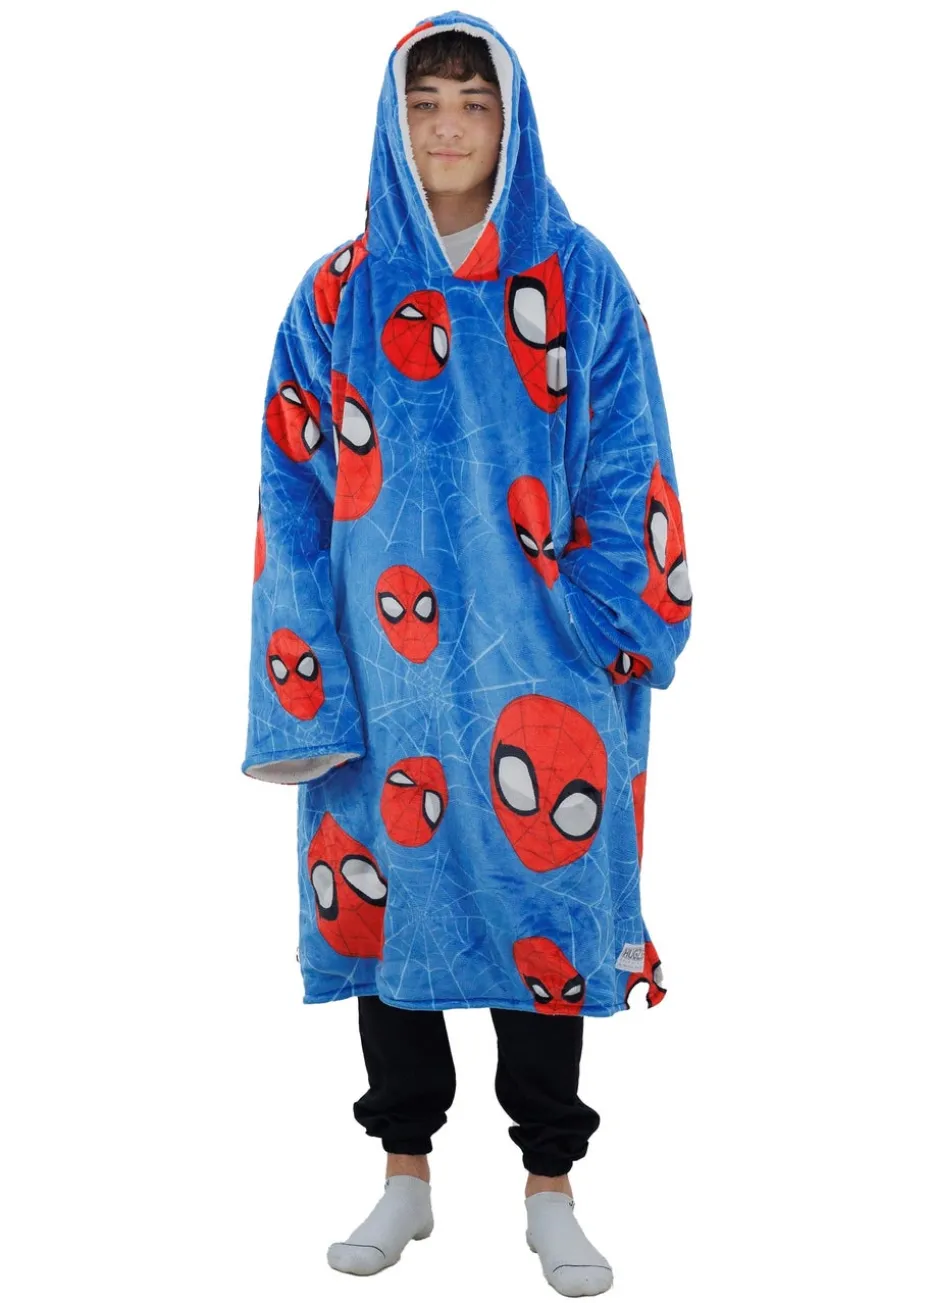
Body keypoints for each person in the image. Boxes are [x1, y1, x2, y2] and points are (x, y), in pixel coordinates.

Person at [241, 10, 692, 1296]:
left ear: (511, 121)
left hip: (540, 663)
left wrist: (606, 620)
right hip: (383, 672)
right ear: (394, 123)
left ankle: (551, 1185)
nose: (448, 127)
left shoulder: (579, 279)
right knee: (393, 897)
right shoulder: (334, 294)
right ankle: (405, 1174)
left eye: (473, 103)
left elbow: (632, 457)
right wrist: (304, 682)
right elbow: (289, 491)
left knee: (542, 903)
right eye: (425, 103)